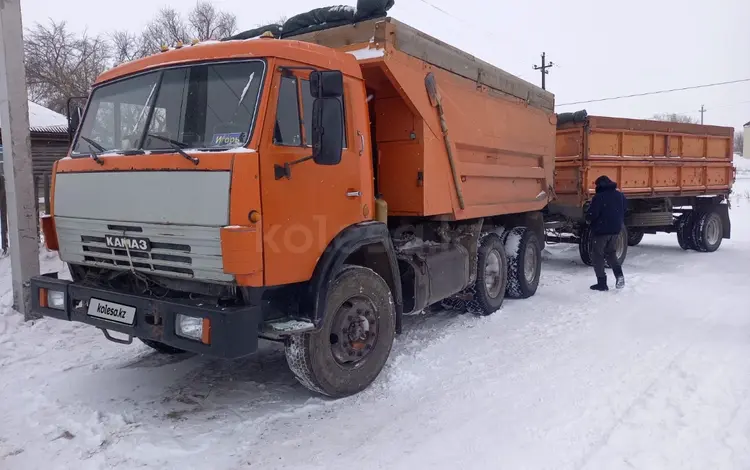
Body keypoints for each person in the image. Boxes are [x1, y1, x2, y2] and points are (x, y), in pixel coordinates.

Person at [585, 175, 627, 291]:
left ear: (600, 185)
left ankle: (602, 283)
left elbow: (593, 214)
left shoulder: (599, 198)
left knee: (597, 256)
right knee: (611, 253)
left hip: (601, 231)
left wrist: (587, 217)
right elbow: (624, 210)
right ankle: (620, 276)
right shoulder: (620, 195)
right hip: (615, 230)